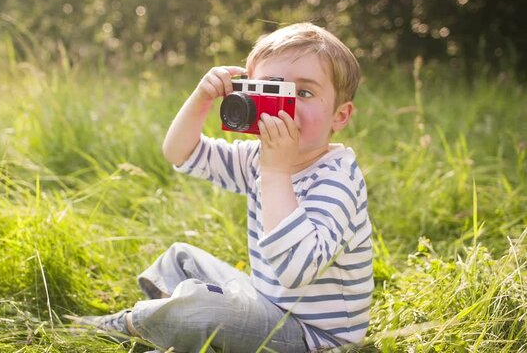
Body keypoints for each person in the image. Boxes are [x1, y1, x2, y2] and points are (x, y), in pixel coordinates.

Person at [68, 22, 373, 352]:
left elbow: (294, 272)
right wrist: (201, 99)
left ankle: (138, 323)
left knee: (206, 308)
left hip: (313, 339)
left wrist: (275, 172)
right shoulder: (256, 157)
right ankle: (177, 324)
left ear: (339, 116)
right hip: (267, 304)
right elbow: (180, 153)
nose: (287, 107)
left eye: (304, 93)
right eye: (272, 89)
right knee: (181, 258)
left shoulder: (336, 180)